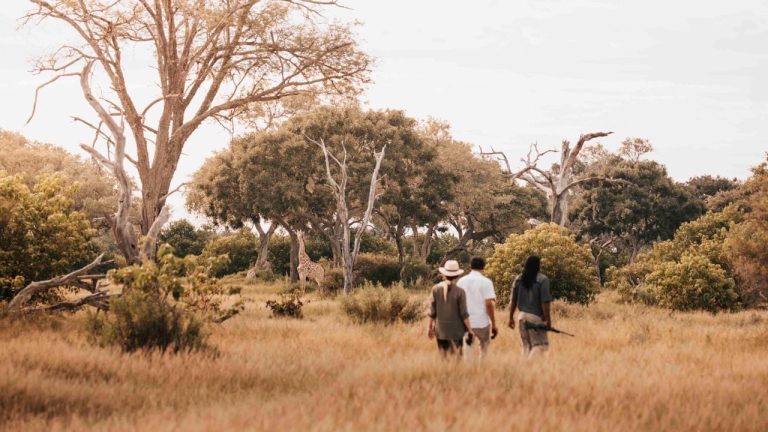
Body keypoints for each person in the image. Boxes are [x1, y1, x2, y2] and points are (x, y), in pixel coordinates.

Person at [428, 260, 476, 358]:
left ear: (444, 274)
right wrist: (470, 330)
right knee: (457, 359)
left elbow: (432, 312)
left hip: (440, 330)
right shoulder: (460, 291)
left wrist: (429, 328)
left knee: (443, 358)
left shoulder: (435, 289)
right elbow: (464, 314)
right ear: (457, 276)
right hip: (457, 331)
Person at [508, 256, 552, 358]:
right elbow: (545, 302)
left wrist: (511, 318)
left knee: (526, 346)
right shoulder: (542, 279)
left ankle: (524, 366)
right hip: (535, 317)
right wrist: (547, 319)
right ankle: (529, 364)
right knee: (540, 345)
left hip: (521, 317)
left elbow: (513, 301)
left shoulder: (518, 279)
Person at [457, 256, 497, 361]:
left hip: (466, 322)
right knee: (484, 349)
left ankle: (468, 369)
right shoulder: (486, 282)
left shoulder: (461, 281)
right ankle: (482, 368)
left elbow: (458, 303)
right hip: (482, 321)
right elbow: (489, 304)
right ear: (483, 267)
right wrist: (494, 324)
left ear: (470, 266)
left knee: (468, 348)